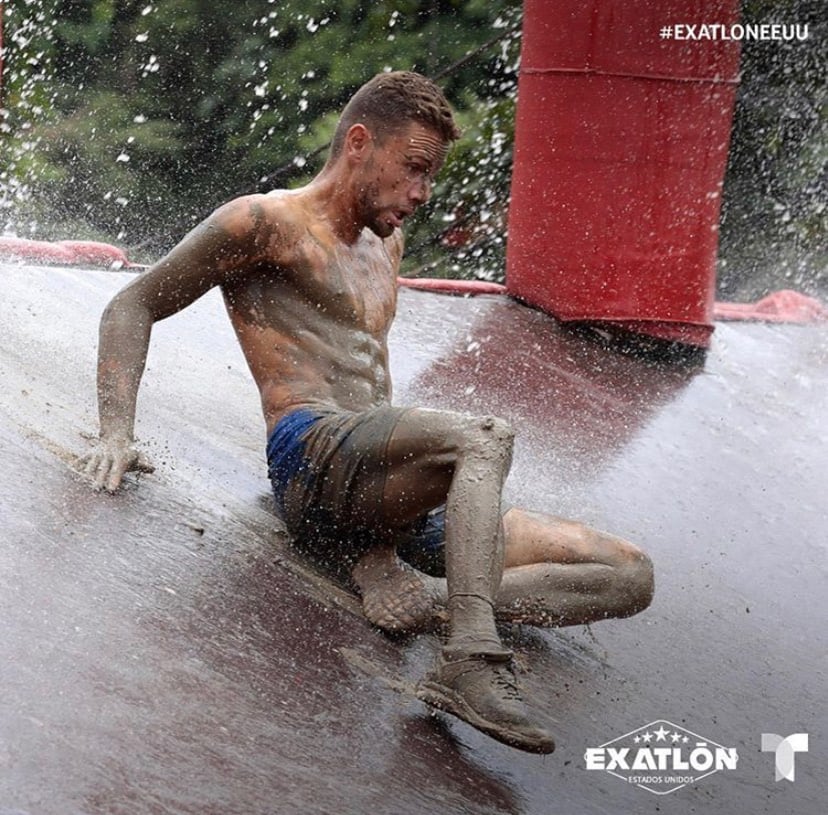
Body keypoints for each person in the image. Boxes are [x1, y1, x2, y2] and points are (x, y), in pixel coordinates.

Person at [78, 71, 653, 754]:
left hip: (382, 484)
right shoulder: (265, 222)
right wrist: (117, 430)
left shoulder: (387, 243)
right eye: (413, 169)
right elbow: (134, 302)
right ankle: (468, 660)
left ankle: (440, 604)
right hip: (310, 457)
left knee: (628, 573)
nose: (421, 193)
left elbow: (369, 381)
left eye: (431, 176)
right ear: (358, 142)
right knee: (484, 437)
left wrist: (383, 555)